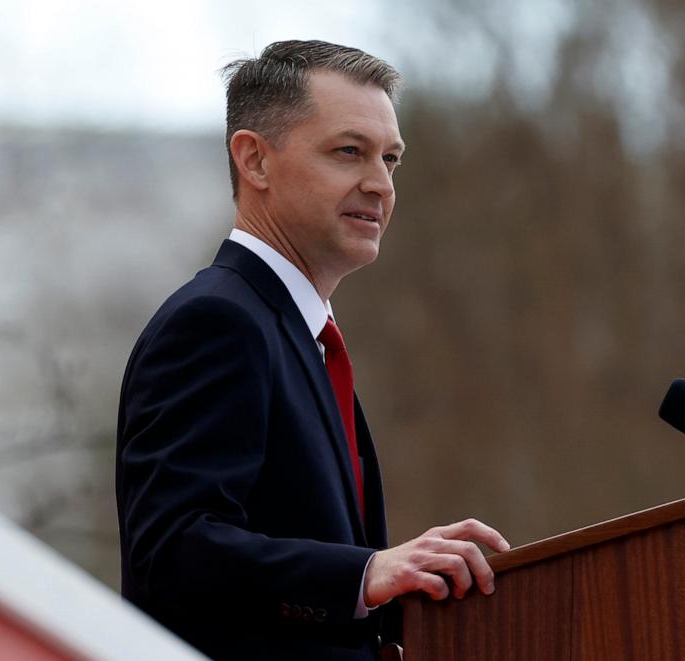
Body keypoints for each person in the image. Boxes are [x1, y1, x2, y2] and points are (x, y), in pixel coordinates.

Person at [115, 40, 509, 660]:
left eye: (391, 160)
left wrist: (389, 580)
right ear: (255, 161)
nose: (379, 185)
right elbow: (174, 551)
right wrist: (362, 573)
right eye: (349, 152)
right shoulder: (217, 321)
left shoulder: (296, 333)